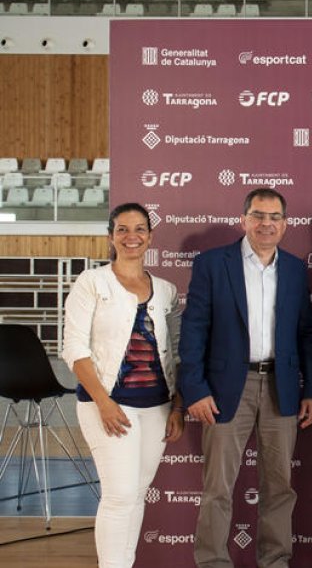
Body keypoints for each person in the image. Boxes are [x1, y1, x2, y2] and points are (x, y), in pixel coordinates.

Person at [178, 188, 312, 568]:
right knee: (218, 488)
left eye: (275, 217)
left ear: (285, 224)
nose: (266, 224)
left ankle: (275, 561)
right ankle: (212, 562)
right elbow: (193, 330)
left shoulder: (294, 268)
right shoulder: (212, 263)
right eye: (258, 216)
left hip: (282, 386)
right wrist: (194, 388)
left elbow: (307, 334)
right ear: (243, 220)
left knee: (279, 487)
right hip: (227, 389)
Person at [61, 203, 184, 568]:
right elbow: (74, 349)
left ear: (151, 235)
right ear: (111, 236)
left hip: (158, 407)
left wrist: (177, 407)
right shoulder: (91, 282)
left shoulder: (165, 290)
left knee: (137, 495)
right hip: (108, 405)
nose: (132, 236)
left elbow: (176, 354)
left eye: (140, 229)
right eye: (123, 229)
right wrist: (104, 402)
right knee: (119, 495)